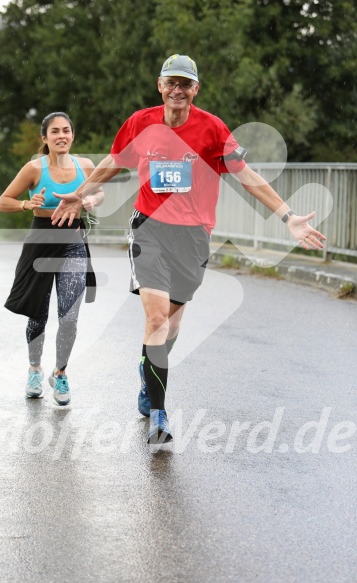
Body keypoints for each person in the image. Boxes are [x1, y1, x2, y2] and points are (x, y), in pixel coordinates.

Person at [51, 55, 326, 441]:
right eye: (171, 83)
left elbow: (245, 175)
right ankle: (160, 412)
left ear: (195, 89)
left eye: (185, 84)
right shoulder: (140, 122)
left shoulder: (213, 129)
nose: (177, 90)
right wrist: (79, 195)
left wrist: (287, 215)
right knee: (157, 319)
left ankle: (150, 367)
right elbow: (115, 161)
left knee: (172, 322)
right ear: (159, 86)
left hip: (194, 235)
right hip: (149, 228)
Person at [0, 112, 104, 405]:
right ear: (44, 138)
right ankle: (34, 369)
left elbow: (99, 193)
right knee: (38, 315)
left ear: (72, 135)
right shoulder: (34, 168)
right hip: (41, 241)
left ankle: (60, 373)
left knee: (69, 316)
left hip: (73, 241)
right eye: (54, 131)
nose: (61, 136)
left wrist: (91, 199)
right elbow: (2, 201)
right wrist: (25, 203)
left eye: (66, 130)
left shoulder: (86, 165)